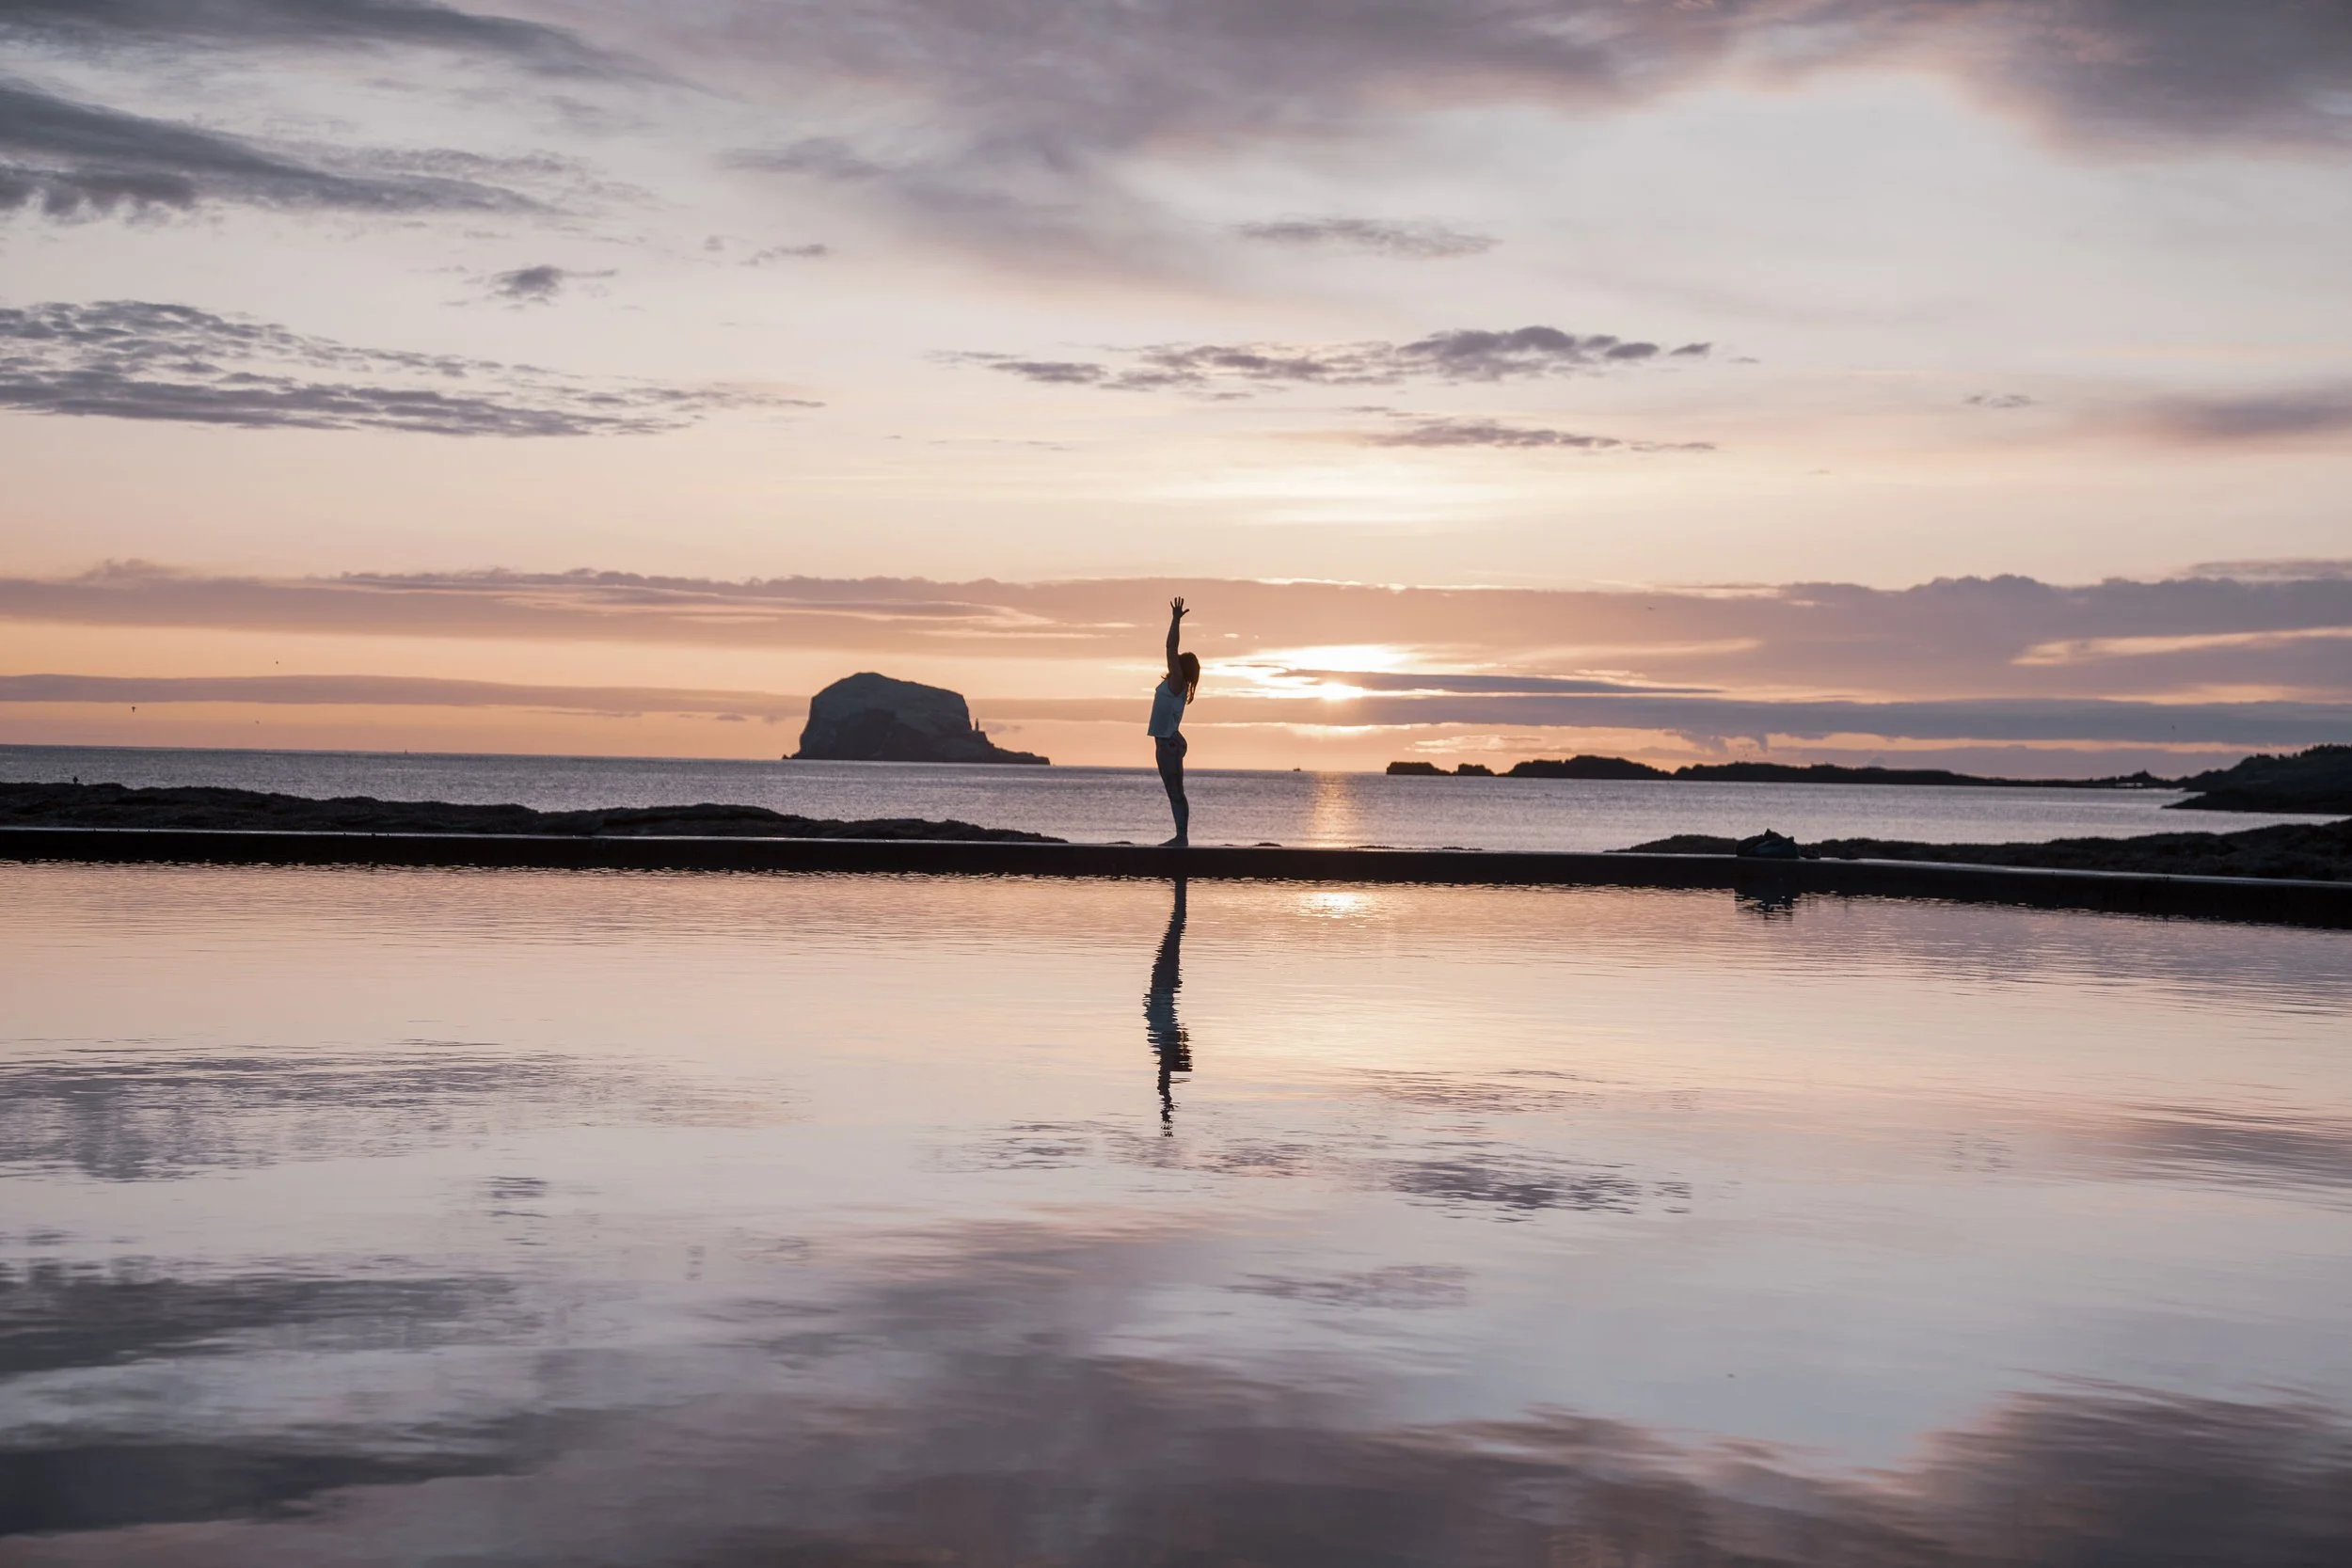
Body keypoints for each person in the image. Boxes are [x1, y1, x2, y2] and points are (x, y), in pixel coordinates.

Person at [1149, 595, 1200, 847]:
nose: (1173, 661)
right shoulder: (1175, 684)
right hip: (1167, 742)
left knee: (1176, 793)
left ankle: (1182, 837)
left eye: (1178, 661)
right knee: (1174, 793)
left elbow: (1170, 647)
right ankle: (1180, 836)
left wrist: (1175, 620)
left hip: (1169, 743)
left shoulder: (1177, 682)